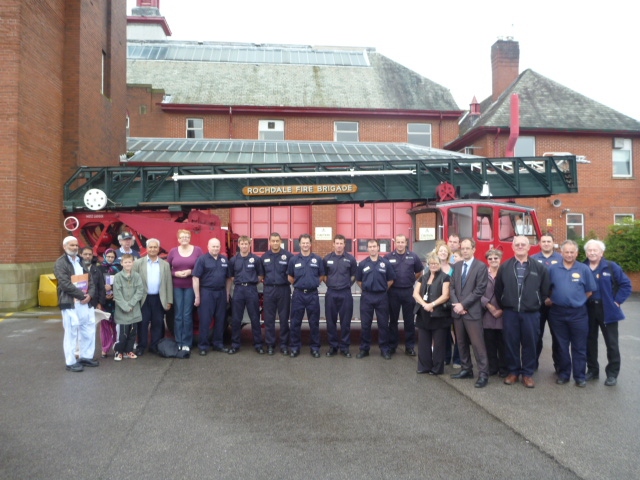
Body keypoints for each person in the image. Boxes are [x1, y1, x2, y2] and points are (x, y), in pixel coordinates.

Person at [495, 237, 550, 388]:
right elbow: (498, 289)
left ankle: (527, 374)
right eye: (517, 244)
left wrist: (536, 302)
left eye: (523, 244)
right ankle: (513, 372)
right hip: (511, 313)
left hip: (531, 313)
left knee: (530, 343)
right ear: (512, 247)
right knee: (511, 343)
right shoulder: (505, 267)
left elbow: (545, 290)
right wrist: (506, 304)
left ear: (529, 247)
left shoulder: (539, 268)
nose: (520, 246)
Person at [546, 240, 597, 387]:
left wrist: (578, 301)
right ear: (561, 253)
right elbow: (548, 289)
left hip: (578, 314)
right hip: (557, 313)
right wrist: (554, 299)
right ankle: (564, 374)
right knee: (561, 346)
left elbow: (589, 291)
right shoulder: (553, 269)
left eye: (572, 252)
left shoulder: (584, 269)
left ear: (577, 253)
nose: (569, 254)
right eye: (566, 252)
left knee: (579, 347)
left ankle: (580, 376)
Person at [583, 239, 632, 386]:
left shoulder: (611, 266)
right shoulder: (581, 267)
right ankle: (592, 370)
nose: (592, 253)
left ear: (601, 252)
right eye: (589, 250)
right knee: (589, 341)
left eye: (595, 250)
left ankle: (612, 374)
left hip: (607, 310)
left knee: (611, 343)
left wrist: (616, 302)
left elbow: (626, 285)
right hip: (587, 309)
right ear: (586, 252)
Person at [449, 238, 490, 388]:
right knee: (460, 343)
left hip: (472, 312)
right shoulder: (457, 266)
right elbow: (452, 287)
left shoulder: (481, 267)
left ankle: (483, 374)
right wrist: (456, 305)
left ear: (473, 249)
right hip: (458, 312)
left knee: (478, 345)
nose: (465, 251)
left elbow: (479, 290)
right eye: (463, 248)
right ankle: (466, 369)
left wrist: (463, 304)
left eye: (468, 248)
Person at [54, 236, 98, 372]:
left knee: (88, 329)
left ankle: (86, 356)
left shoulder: (80, 261)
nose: (75, 248)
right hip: (70, 303)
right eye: (71, 245)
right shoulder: (60, 263)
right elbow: (64, 284)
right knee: (71, 332)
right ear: (65, 247)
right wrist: (82, 296)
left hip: (84, 303)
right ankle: (71, 362)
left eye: (76, 245)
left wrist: (89, 295)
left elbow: (89, 279)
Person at [356, 239, 396, 359]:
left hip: (382, 296)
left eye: (374, 246)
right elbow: (359, 280)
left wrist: (382, 289)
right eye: (370, 246)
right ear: (367, 248)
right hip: (367, 296)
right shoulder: (363, 264)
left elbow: (391, 280)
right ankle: (364, 349)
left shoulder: (386, 263)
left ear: (378, 248)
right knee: (365, 324)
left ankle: (384, 349)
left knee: (383, 324)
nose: (372, 248)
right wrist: (368, 289)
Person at [287, 234, 325, 358]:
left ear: (310, 243)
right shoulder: (294, 260)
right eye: (302, 243)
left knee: (314, 323)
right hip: (298, 294)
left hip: (312, 294)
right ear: (300, 244)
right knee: (295, 322)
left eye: (307, 242)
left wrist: (312, 284)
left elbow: (321, 276)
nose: (305, 245)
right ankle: (294, 347)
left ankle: (314, 348)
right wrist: (299, 285)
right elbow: (290, 277)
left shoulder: (317, 259)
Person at [133, 238, 173, 355]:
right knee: (143, 323)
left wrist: (169, 300)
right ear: (147, 248)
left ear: (159, 249)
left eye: (155, 247)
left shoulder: (165, 265)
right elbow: (134, 282)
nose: (153, 249)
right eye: (150, 247)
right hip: (143, 298)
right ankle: (141, 346)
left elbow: (168, 283)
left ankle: (154, 346)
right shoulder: (138, 263)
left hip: (159, 298)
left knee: (158, 323)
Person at [413, 252, 451, 375]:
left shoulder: (445, 277)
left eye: (436, 263)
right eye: (431, 263)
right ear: (428, 265)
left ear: (440, 264)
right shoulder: (422, 277)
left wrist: (432, 304)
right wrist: (424, 305)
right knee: (423, 343)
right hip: (423, 314)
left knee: (439, 344)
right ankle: (424, 366)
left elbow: (446, 295)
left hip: (439, 315)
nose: (433, 265)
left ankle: (437, 368)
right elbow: (415, 294)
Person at [192, 238, 232, 356]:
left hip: (221, 292)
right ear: (208, 247)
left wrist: (227, 293)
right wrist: (197, 296)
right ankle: (203, 346)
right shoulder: (202, 260)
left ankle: (218, 344)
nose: (215, 248)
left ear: (220, 247)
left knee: (220, 319)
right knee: (205, 320)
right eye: (213, 246)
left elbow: (229, 278)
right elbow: (195, 278)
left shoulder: (224, 260)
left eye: (217, 246)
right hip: (207, 292)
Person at [386, 234, 423, 356]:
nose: (400, 244)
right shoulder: (388, 257)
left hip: (408, 291)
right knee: (393, 321)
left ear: (406, 243)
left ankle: (410, 346)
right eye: (398, 242)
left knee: (409, 321)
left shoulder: (413, 256)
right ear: (395, 243)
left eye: (402, 242)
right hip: (393, 292)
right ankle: (392, 346)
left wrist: (411, 280)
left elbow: (419, 272)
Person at [167, 229, 203, 352]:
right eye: (182, 237)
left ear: (190, 238)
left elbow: (201, 267)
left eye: (187, 236)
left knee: (187, 315)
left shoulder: (197, 250)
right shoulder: (173, 251)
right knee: (178, 315)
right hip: (176, 286)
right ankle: (179, 342)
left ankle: (187, 342)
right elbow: (167, 269)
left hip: (190, 287)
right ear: (178, 239)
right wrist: (175, 273)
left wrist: (190, 272)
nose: (184, 239)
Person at [531, 233, 563, 371]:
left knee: (558, 337)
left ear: (553, 243)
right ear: (539, 243)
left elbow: (563, 283)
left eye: (549, 241)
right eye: (543, 241)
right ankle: (532, 364)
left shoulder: (561, 259)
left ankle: (559, 367)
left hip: (556, 304)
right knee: (536, 336)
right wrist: (544, 298)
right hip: (538, 304)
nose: (546, 244)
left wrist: (553, 298)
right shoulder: (532, 259)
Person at [228, 236, 265, 354]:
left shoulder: (256, 259)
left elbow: (260, 276)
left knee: (254, 317)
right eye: (242, 244)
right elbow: (232, 277)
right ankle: (235, 344)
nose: (244, 246)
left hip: (251, 290)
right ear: (238, 244)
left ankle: (258, 344)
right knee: (236, 318)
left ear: (249, 245)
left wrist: (250, 282)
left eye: (246, 244)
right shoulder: (233, 260)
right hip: (238, 290)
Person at [323, 234, 358, 358]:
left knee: (345, 322)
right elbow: (324, 276)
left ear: (344, 244)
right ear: (333, 244)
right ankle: (333, 347)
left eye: (341, 243)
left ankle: (345, 347)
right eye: (336, 243)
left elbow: (354, 275)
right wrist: (331, 284)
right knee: (330, 322)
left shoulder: (350, 259)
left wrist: (348, 284)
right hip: (331, 293)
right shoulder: (327, 259)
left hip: (345, 293)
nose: (339, 245)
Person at [261, 232, 294, 355]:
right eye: (273, 241)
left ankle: (284, 344)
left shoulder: (289, 256)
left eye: (277, 241)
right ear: (269, 242)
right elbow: (262, 275)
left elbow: (292, 274)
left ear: (281, 242)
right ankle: (270, 344)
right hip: (269, 290)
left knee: (284, 318)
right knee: (269, 319)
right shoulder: (264, 257)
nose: (275, 243)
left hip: (283, 290)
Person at [112, 254, 145, 361]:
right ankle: (119, 351)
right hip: (122, 309)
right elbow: (117, 294)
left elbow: (140, 291)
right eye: (125, 262)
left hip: (134, 309)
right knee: (123, 333)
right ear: (121, 263)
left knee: (132, 332)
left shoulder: (137, 276)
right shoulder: (117, 277)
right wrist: (126, 306)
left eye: (129, 262)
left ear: (133, 263)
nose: (127, 264)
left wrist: (131, 304)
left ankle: (129, 350)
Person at [481, 249, 507, 378]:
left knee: (503, 344)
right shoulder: (482, 274)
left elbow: (511, 292)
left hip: (503, 313)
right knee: (489, 343)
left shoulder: (506, 273)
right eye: (490, 258)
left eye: (496, 258)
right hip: (487, 313)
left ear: (500, 259)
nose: (493, 260)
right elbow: (477, 292)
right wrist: (489, 306)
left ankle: (503, 367)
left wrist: (502, 309)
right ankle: (492, 367)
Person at [436, 240, 460, 367]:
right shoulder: (433, 266)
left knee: (457, 332)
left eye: (445, 251)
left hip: (453, 302)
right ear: (437, 253)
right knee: (444, 331)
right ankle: (446, 357)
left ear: (448, 253)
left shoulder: (454, 268)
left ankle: (457, 359)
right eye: (441, 251)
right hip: (439, 304)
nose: (443, 253)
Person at [80, 247, 107, 356]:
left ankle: (89, 354)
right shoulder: (77, 268)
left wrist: (100, 302)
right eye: (85, 254)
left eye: (89, 254)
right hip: (79, 302)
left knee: (91, 329)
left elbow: (101, 287)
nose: (87, 256)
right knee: (79, 328)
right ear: (81, 255)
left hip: (93, 302)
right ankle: (79, 352)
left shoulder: (96, 270)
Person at [99, 248, 121, 357]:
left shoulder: (119, 268)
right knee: (105, 326)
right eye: (108, 257)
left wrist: (113, 291)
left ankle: (117, 347)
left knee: (116, 325)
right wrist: (104, 291)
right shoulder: (99, 268)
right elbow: (96, 284)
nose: (110, 259)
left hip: (115, 301)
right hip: (104, 301)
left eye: (112, 257)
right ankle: (105, 348)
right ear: (104, 256)